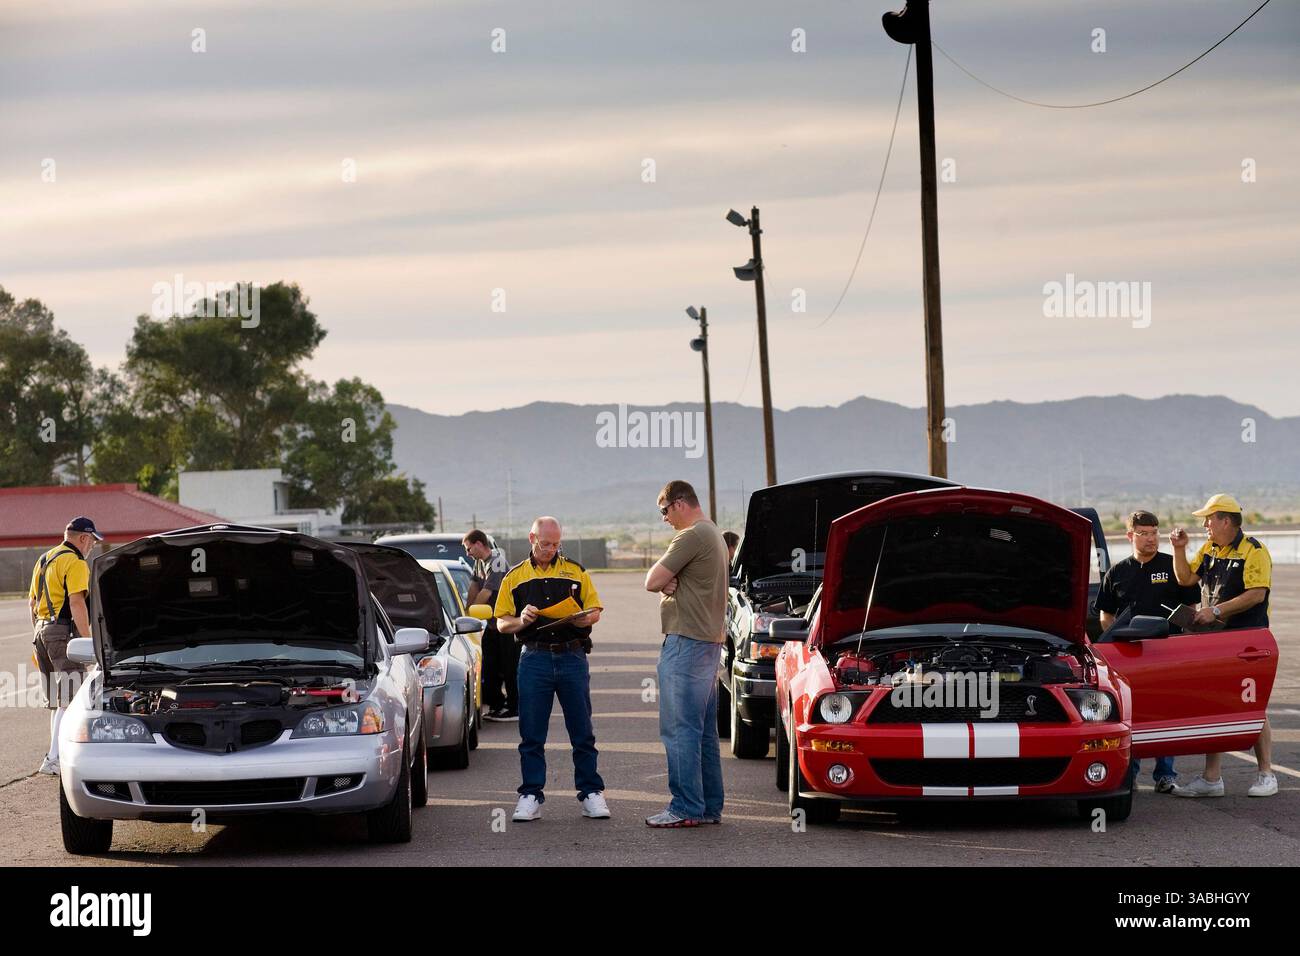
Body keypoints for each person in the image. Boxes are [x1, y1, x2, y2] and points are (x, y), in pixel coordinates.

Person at [495, 516, 609, 821]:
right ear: (532, 538)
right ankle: (530, 795)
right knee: (531, 734)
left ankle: (591, 793)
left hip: (572, 657)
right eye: (546, 543)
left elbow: (595, 608)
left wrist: (588, 618)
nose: (551, 549)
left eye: (557, 543)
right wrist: (521, 620)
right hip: (534, 659)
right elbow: (502, 622)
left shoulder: (576, 571)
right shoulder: (514, 577)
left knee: (582, 732)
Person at [1169, 494, 1276, 798]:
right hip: (1214, 639)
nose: (1205, 525)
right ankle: (1212, 779)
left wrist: (1214, 611)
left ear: (1226, 520)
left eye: (1209, 519)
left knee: (1253, 704)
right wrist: (1179, 549)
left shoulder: (1254, 551)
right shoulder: (1209, 549)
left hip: (1247, 640)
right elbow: (1186, 577)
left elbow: (1256, 594)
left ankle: (1267, 774)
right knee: (1215, 704)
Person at [1096, 510, 1201, 793]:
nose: (1151, 539)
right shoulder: (1117, 572)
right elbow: (1105, 616)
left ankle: (1166, 775)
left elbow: (1192, 609)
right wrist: (1117, 638)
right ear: (1130, 536)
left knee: (1166, 712)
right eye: (1143, 533)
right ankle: (1128, 775)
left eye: (1154, 533)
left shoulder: (1173, 566)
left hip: (1168, 654)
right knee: (1132, 715)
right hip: (1130, 656)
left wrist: (1183, 636)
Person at [644, 480, 728, 827]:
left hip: (687, 643)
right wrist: (670, 581)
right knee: (703, 731)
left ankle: (684, 808)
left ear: (679, 504)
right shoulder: (716, 536)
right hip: (709, 643)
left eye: (664, 511)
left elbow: (650, 579)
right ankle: (707, 806)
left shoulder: (691, 535)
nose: (664, 519)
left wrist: (664, 582)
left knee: (679, 729)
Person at [29, 517, 102, 775]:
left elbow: (32, 603)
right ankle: (53, 759)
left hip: (41, 631)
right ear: (83, 537)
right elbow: (76, 603)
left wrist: (39, 635)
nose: (92, 545)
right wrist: (89, 641)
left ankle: (54, 756)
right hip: (62, 634)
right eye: (92, 540)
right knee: (70, 700)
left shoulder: (44, 559)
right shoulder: (76, 562)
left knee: (58, 701)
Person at [463, 529, 516, 721]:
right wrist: (466, 610)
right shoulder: (479, 562)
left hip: (507, 623)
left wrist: (472, 611)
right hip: (492, 624)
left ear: (479, 544)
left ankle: (514, 708)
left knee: (509, 668)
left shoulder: (497, 561)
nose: (467, 553)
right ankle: (496, 705)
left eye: (469, 549)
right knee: (489, 668)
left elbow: (486, 593)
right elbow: (474, 587)